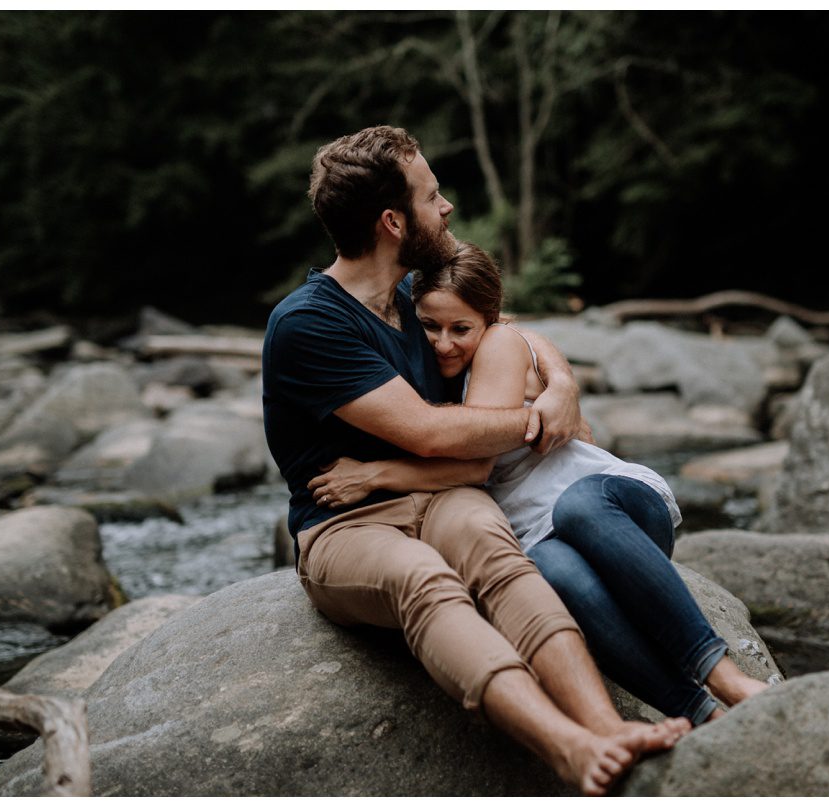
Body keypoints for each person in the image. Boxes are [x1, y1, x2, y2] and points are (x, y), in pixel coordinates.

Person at [261, 125, 689, 795]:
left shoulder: (411, 295)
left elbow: (500, 322)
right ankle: (566, 745)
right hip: (345, 527)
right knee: (423, 579)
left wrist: (560, 378)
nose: (448, 208)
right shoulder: (309, 323)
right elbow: (429, 431)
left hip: (441, 492)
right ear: (394, 221)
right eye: (434, 196)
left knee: (497, 551)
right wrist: (534, 417)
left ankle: (608, 725)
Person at [309, 241, 770, 726]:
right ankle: (697, 711)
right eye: (430, 326)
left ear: (489, 319)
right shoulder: (434, 371)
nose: (443, 342)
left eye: (459, 329)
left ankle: (722, 674)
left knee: (576, 506)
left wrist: (373, 475)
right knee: (550, 569)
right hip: (547, 537)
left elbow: (476, 467)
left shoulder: (500, 345)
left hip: (613, 507)